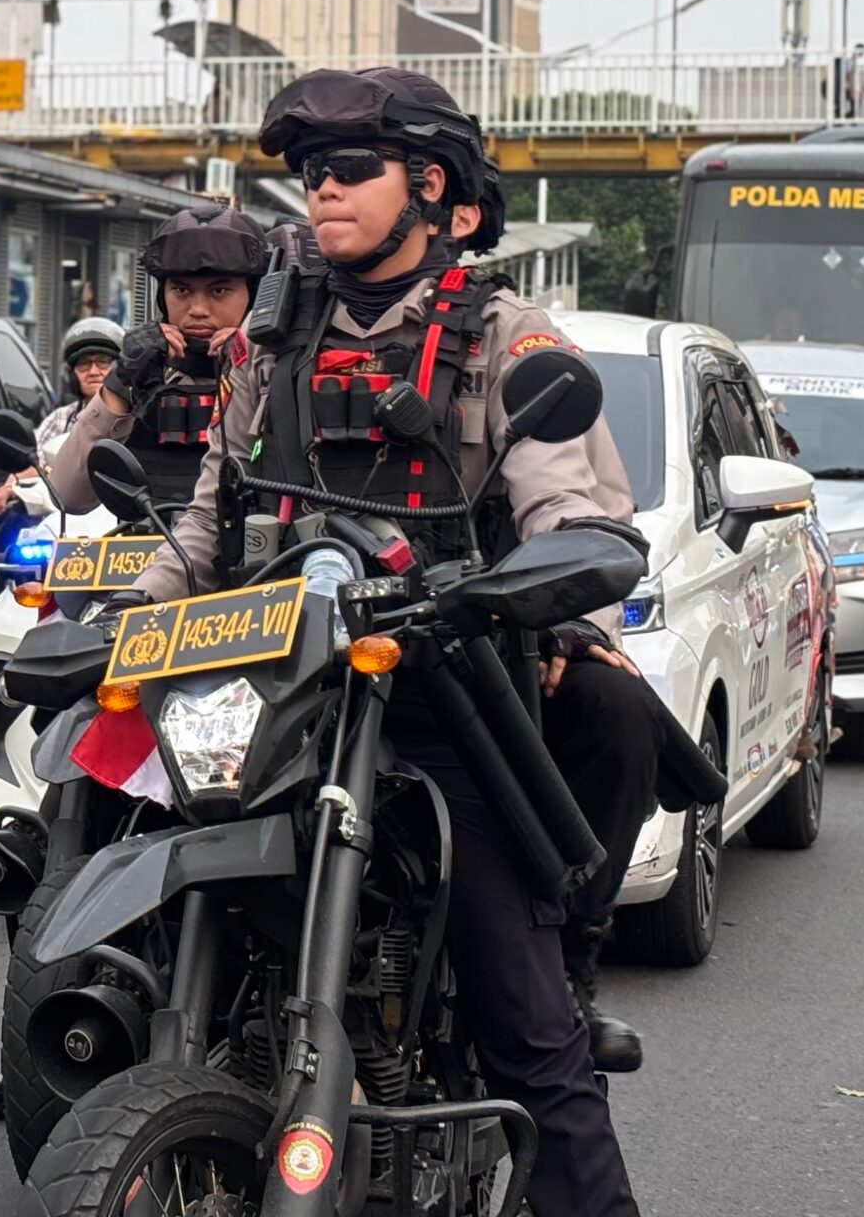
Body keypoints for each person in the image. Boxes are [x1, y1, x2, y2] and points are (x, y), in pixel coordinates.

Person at [125, 67, 656, 1217]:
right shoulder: (268, 341)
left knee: (532, 1036)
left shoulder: (504, 336)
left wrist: (552, 596)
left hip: (439, 694)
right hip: (273, 692)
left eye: (350, 170)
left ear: (436, 194)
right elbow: (213, 524)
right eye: (310, 173)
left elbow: (570, 507)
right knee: (97, 838)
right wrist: (119, 624)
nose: (321, 191)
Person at [44, 204, 267, 519]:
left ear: (254, 294)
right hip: (151, 556)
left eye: (219, 290)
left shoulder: (275, 368)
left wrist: (251, 359)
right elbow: (68, 495)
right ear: (162, 295)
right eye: (181, 290)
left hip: (259, 561)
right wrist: (121, 381)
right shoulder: (143, 372)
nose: (198, 309)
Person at [0, 315, 123, 520]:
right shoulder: (60, 418)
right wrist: (9, 487)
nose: (93, 371)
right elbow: (35, 462)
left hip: (123, 517)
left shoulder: (138, 413)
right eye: (84, 365)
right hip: (68, 519)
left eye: (103, 363)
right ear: (71, 375)